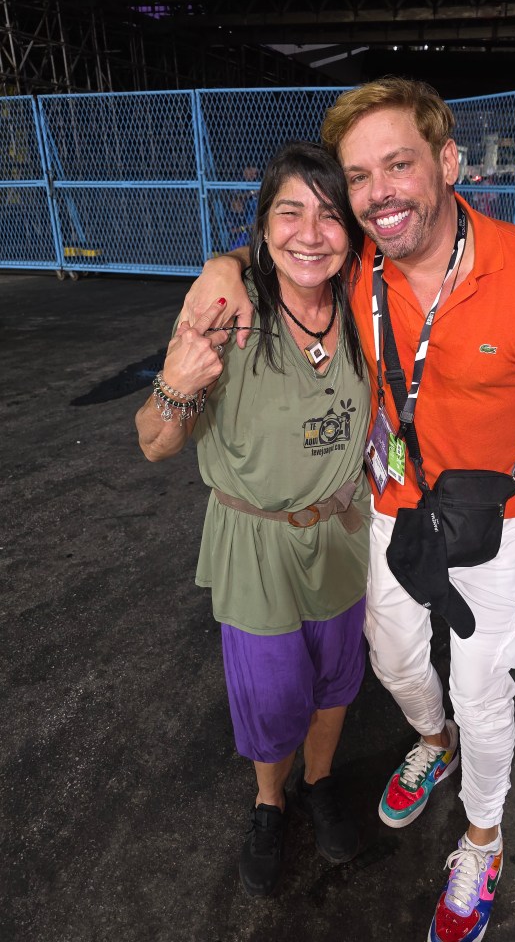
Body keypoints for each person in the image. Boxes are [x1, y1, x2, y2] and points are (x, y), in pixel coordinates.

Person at [182, 78, 515, 942]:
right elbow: (281, 246)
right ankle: (432, 743)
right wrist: (221, 267)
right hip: (391, 502)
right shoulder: (357, 261)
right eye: (359, 176)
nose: (377, 193)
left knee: (481, 689)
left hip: (498, 512)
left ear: (448, 162)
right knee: (393, 660)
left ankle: (482, 841)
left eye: (398, 165)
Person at [136, 141, 371, 900]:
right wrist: (175, 384)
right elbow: (153, 442)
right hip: (256, 544)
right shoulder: (228, 310)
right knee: (271, 697)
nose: (311, 234)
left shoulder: (364, 301)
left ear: (352, 232)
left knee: (335, 681)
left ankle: (320, 781)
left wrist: (226, 257)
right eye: (289, 213)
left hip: (342, 532)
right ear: (263, 225)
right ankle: (270, 802)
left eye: (330, 215)